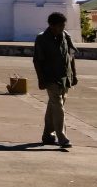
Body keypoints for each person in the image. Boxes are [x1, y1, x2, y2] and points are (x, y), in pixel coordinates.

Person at [33, 12, 78, 148]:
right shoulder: (42, 39)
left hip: (65, 77)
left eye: (63, 26)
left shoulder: (66, 36)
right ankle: (62, 137)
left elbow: (71, 56)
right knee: (58, 106)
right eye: (59, 26)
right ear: (51, 25)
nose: (62, 28)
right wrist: (40, 79)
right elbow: (37, 61)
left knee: (53, 106)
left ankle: (47, 135)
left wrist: (74, 75)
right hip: (51, 77)